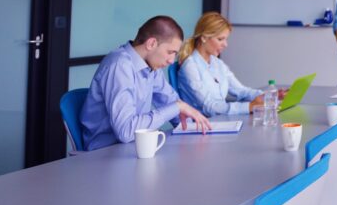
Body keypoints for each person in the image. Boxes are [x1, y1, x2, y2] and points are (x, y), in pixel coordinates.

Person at [80, 15, 211, 151]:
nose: (172, 61)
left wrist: (193, 127)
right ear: (151, 44)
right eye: (170, 52)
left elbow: (172, 103)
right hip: (105, 154)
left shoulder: (151, 67)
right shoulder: (120, 65)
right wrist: (177, 107)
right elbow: (126, 131)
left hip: (136, 148)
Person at [177, 12, 280, 116]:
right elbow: (209, 106)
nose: (225, 45)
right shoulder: (190, 67)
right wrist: (249, 107)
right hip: (202, 125)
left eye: (226, 39)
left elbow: (241, 91)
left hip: (219, 121)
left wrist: (268, 96)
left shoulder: (218, 64)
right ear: (204, 38)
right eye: (220, 39)